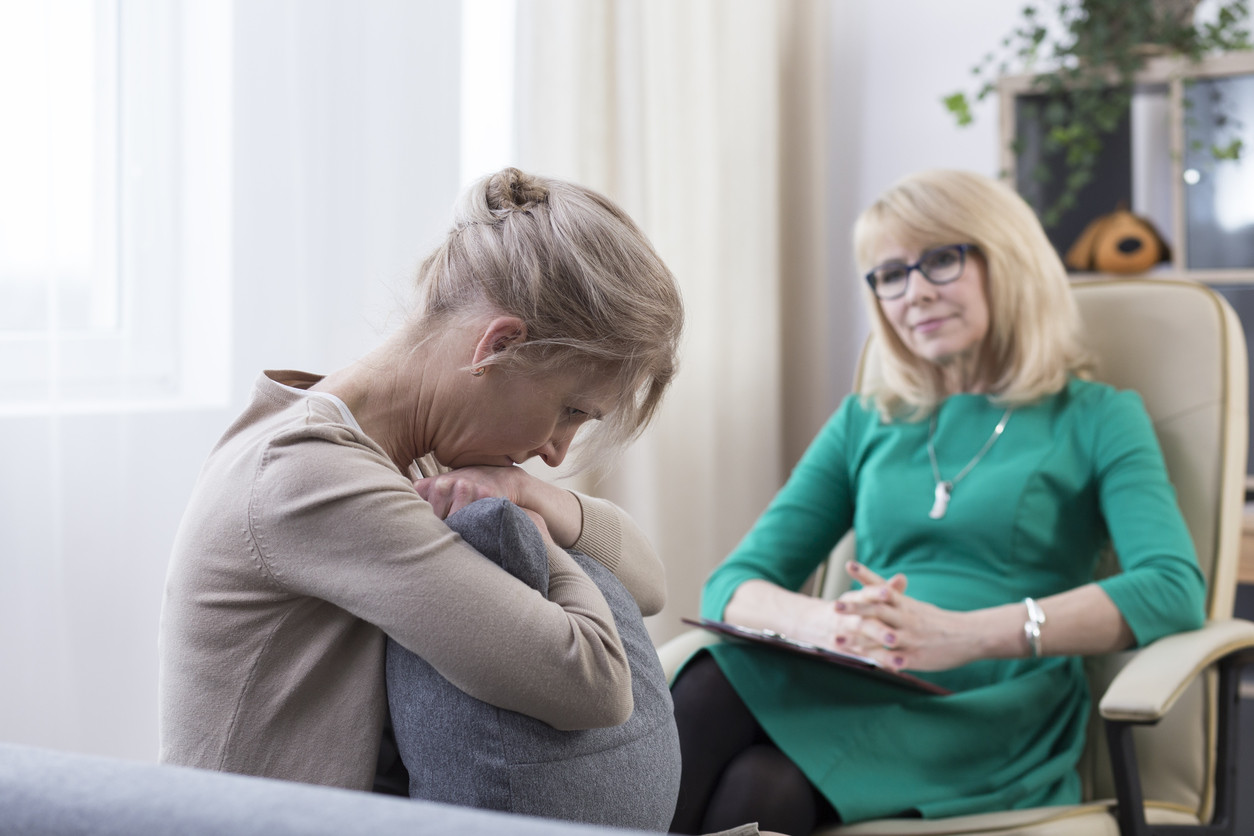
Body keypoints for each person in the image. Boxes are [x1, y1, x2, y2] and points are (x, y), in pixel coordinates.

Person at [668, 169, 1207, 835]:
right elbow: (733, 585)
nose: (915, 292)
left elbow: (1171, 588)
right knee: (737, 731)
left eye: (941, 260)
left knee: (745, 750)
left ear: (1009, 262)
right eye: (891, 274)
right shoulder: (866, 420)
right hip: (865, 681)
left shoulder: (1097, 416)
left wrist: (961, 634)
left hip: (997, 704)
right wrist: (829, 626)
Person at [159, 167, 683, 794]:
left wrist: (527, 494)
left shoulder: (406, 454)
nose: (555, 451)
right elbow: (594, 682)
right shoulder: (309, 475)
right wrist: (539, 537)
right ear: (499, 346)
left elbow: (650, 583)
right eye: (570, 410)